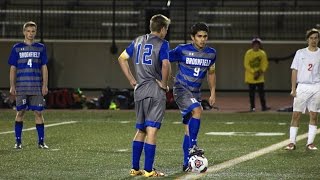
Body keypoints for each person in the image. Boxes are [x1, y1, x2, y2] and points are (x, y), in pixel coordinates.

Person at [117, 14, 171, 177]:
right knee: (152, 130)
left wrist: (133, 81)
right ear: (162, 29)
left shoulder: (138, 40)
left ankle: (135, 168)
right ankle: (148, 170)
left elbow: (121, 58)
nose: (166, 32)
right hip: (154, 91)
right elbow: (166, 64)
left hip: (139, 90)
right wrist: (163, 83)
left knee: (141, 129)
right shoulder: (163, 43)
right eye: (166, 29)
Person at [169, 22, 216, 171]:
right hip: (181, 89)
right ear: (192, 37)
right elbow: (164, 59)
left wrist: (213, 92)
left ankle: (186, 163)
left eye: (205, 36)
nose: (202, 39)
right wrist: (167, 77)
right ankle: (193, 146)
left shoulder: (211, 53)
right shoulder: (182, 50)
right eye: (199, 36)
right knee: (197, 110)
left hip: (195, 92)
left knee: (188, 129)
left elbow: (212, 73)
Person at [8, 21, 49, 149]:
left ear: (35, 32)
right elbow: (13, 68)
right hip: (21, 86)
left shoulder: (41, 47)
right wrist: (12, 85)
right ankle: (18, 142)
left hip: (36, 87)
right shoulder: (17, 48)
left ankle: (41, 142)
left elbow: (44, 67)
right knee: (20, 112)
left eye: (33, 31)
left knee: (38, 113)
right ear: (24, 32)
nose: (30, 34)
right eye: (28, 31)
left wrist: (45, 85)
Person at [284, 28, 320, 151]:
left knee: (314, 115)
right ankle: (291, 143)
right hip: (303, 87)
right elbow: (294, 70)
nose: (313, 40)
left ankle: (310, 143)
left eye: (316, 38)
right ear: (307, 39)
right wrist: (293, 89)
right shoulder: (300, 53)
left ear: (318, 39)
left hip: (316, 87)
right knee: (296, 114)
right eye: (311, 38)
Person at [244, 37, 270, 112]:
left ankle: (263, 106)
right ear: (252, 45)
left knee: (261, 93)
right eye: (255, 44)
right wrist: (253, 72)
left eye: (257, 44)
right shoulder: (248, 53)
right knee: (251, 94)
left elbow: (265, 64)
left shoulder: (262, 53)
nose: (256, 46)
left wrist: (260, 72)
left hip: (260, 77)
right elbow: (246, 65)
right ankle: (252, 107)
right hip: (250, 77)